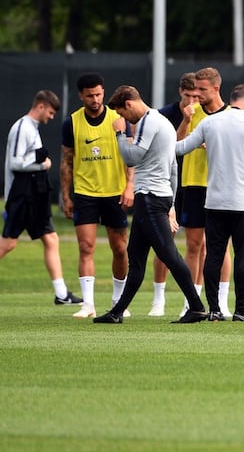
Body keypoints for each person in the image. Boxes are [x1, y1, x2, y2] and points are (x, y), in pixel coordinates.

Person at [93, 86, 206, 324]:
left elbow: (132, 157)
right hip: (158, 196)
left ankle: (196, 307)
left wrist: (120, 134)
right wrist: (172, 204)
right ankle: (117, 313)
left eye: (123, 114)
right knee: (136, 256)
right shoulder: (162, 122)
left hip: (150, 197)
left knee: (168, 254)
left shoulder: (147, 121)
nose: (123, 119)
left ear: (129, 104)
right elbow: (173, 167)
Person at [176, 84, 244, 322]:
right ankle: (241, 310)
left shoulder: (209, 123)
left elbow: (180, 148)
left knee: (213, 255)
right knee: (243, 255)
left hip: (214, 201)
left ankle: (214, 309)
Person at [60, 73, 132, 319]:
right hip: (85, 192)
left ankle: (118, 301)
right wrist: (65, 196)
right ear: (81, 96)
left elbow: (129, 156)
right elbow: (67, 160)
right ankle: (88, 304)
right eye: (90, 95)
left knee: (120, 249)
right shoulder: (71, 123)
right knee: (85, 246)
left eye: (99, 94)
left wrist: (129, 186)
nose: (95, 99)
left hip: (115, 192)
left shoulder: (118, 119)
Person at [1, 90, 83, 305]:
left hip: (34, 195)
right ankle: (62, 294)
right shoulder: (22, 127)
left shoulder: (33, 129)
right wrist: (42, 163)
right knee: (8, 244)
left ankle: (61, 294)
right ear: (40, 106)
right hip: (21, 195)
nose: (52, 116)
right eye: (50, 111)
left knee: (51, 239)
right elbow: (16, 162)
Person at [176, 67, 232, 318]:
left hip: (221, 186)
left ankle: (221, 300)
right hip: (194, 184)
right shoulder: (192, 113)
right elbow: (176, 146)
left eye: (201, 90)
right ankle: (192, 300)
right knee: (194, 245)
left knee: (220, 246)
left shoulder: (232, 114)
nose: (196, 95)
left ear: (216, 88)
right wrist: (186, 121)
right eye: (194, 89)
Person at [149, 72, 198, 316]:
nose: (192, 102)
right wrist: (186, 122)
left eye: (196, 96)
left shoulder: (208, 113)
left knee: (198, 243)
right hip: (168, 183)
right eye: (188, 96)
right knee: (164, 243)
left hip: (195, 183)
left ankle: (192, 299)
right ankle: (159, 299)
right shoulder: (164, 115)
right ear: (180, 92)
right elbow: (171, 147)